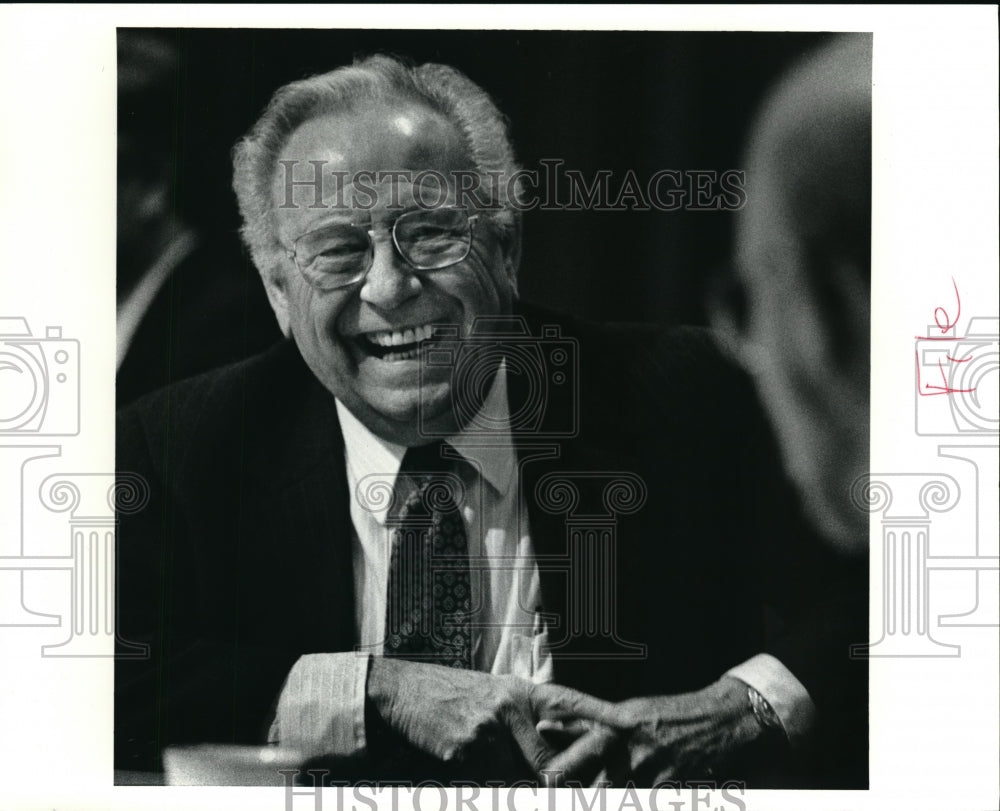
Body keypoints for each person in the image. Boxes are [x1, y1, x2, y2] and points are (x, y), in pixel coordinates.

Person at [115, 53, 865, 787]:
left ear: (506, 249)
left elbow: (889, 595)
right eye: (338, 250)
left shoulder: (688, 393)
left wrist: (745, 705)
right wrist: (369, 691)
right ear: (278, 293)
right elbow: (93, 678)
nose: (389, 287)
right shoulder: (184, 448)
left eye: (432, 234)